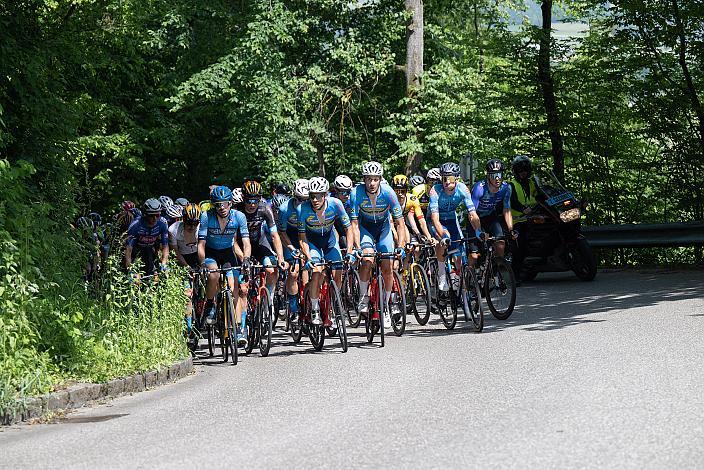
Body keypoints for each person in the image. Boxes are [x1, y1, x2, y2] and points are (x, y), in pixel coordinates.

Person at [350, 161, 406, 328]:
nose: (372, 183)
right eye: (368, 179)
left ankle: (386, 304)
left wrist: (401, 246)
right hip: (365, 229)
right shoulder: (356, 193)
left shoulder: (388, 193)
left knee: (388, 266)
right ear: (364, 179)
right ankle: (363, 297)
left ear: (380, 179)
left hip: (383, 230)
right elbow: (353, 225)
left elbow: (400, 223)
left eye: (375, 179)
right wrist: (357, 249)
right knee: (367, 260)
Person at [198, 185, 251, 346]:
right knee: (213, 273)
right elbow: (201, 244)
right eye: (218, 204)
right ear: (214, 205)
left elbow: (246, 241)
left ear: (231, 203)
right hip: (211, 252)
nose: (222, 208)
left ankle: (238, 329)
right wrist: (201, 263)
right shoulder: (206, 216)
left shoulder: (239, 216)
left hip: (228, 253)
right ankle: (210, 304)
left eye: (225, 203)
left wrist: (246, 258)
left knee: (234, 287)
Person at [297, 177, 354, 325]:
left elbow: (348, 228)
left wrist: (349, 251)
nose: (315, 199)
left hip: (330, 242)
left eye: (319, 196)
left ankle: (332, 305)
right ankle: (315, 308)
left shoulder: (336, 204)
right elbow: (302, 238)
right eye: (312, 196)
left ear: (325, 195)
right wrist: (308, 257)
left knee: (338, 273)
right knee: (316, 272)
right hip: (313, 244)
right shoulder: (302, 209)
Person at [428, 163, 482, 297]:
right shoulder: (435, 190)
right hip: (437, 221)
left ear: (457, 178)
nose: (446, 182)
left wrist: (478, 231)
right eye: (444, 178)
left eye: (450, 178)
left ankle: (458, 282)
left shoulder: (463, 189)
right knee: (444, 238)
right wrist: (443, 236)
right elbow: (435, 218)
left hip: (452, 219)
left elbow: (472, 214)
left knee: (458, 255)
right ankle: (441, 275)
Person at [240, 180, 287, 306]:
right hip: (241, 247)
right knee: (242, 284)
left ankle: (268, 300)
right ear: (243, 198)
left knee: (272, 270)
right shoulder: (237, 210)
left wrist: (281, 258)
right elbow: (232, 241)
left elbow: (274, 235)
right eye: (249, 200)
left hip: (259, 243)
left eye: (255, 200)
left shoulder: (265, 207)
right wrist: (244, 258)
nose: (252, 204)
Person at [470, 159, 517, 266]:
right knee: (474, 255)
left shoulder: (506, 188)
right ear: (488, 176)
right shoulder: (479, 188)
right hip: (475, 218)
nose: (497, 178)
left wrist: (511, 230)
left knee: (500, 243)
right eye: (493, 175)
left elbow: (506, 209)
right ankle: (469, 277)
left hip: (490, 217)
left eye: (499, 175)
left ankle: (496, 270)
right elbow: (472, 213)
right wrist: (478, 231)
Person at [277, 179, 309, 321]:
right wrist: (291, 248)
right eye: (300, 199)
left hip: (308, 237)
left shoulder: (314, 206)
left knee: (311, 269)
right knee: (294, 272)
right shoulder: (285, 209)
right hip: (290, 238)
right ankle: (294, 307)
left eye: (306, 199)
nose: (303, 203)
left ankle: (309, 301)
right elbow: (281, 233)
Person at [508, 155, 539, 281]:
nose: (523, 173)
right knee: (519, 247)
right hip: (518, 220)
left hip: (533, 217)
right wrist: (522, 209)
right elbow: (513, 201)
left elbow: (540, 195)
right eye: (520, 170)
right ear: (515, 171)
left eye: (525, 170)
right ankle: (515, 276)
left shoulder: (532, 183)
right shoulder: (512, 185)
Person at [124, 198, 170, 276]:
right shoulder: (136, 225)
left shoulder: (162, 224)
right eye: (151, 215)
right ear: (145, 214)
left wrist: (164, 263)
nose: (155, 218)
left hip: (149, 249)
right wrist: (130, 269)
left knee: (152, 276)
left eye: (157, 215)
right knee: (135, 278)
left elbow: (165, 246)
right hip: (135, 250)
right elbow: (128, 250)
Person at [331, 174, 356, 250]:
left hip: (349, 229)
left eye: (348, 192)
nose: (347, 195)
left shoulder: (352, 199)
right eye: (344, 192)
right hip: (336, 229)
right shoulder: (330, 201)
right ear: (336, 190)